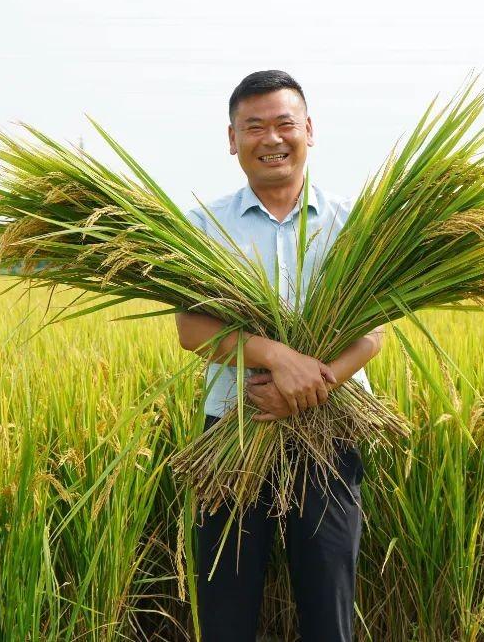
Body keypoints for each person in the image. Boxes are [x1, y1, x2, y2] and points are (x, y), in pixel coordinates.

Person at [175, 70, 385, 642]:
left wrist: (317, 383)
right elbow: (192, 329)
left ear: (308, 130)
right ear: (232, 138)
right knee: (226, 606)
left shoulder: (354, 224)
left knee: (328, 602)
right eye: (254, 127)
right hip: (235, 431)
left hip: (332, 431)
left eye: (284, 123)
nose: (271, 138)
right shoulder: (203, 227)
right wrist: (273, 355)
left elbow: (375, 331)